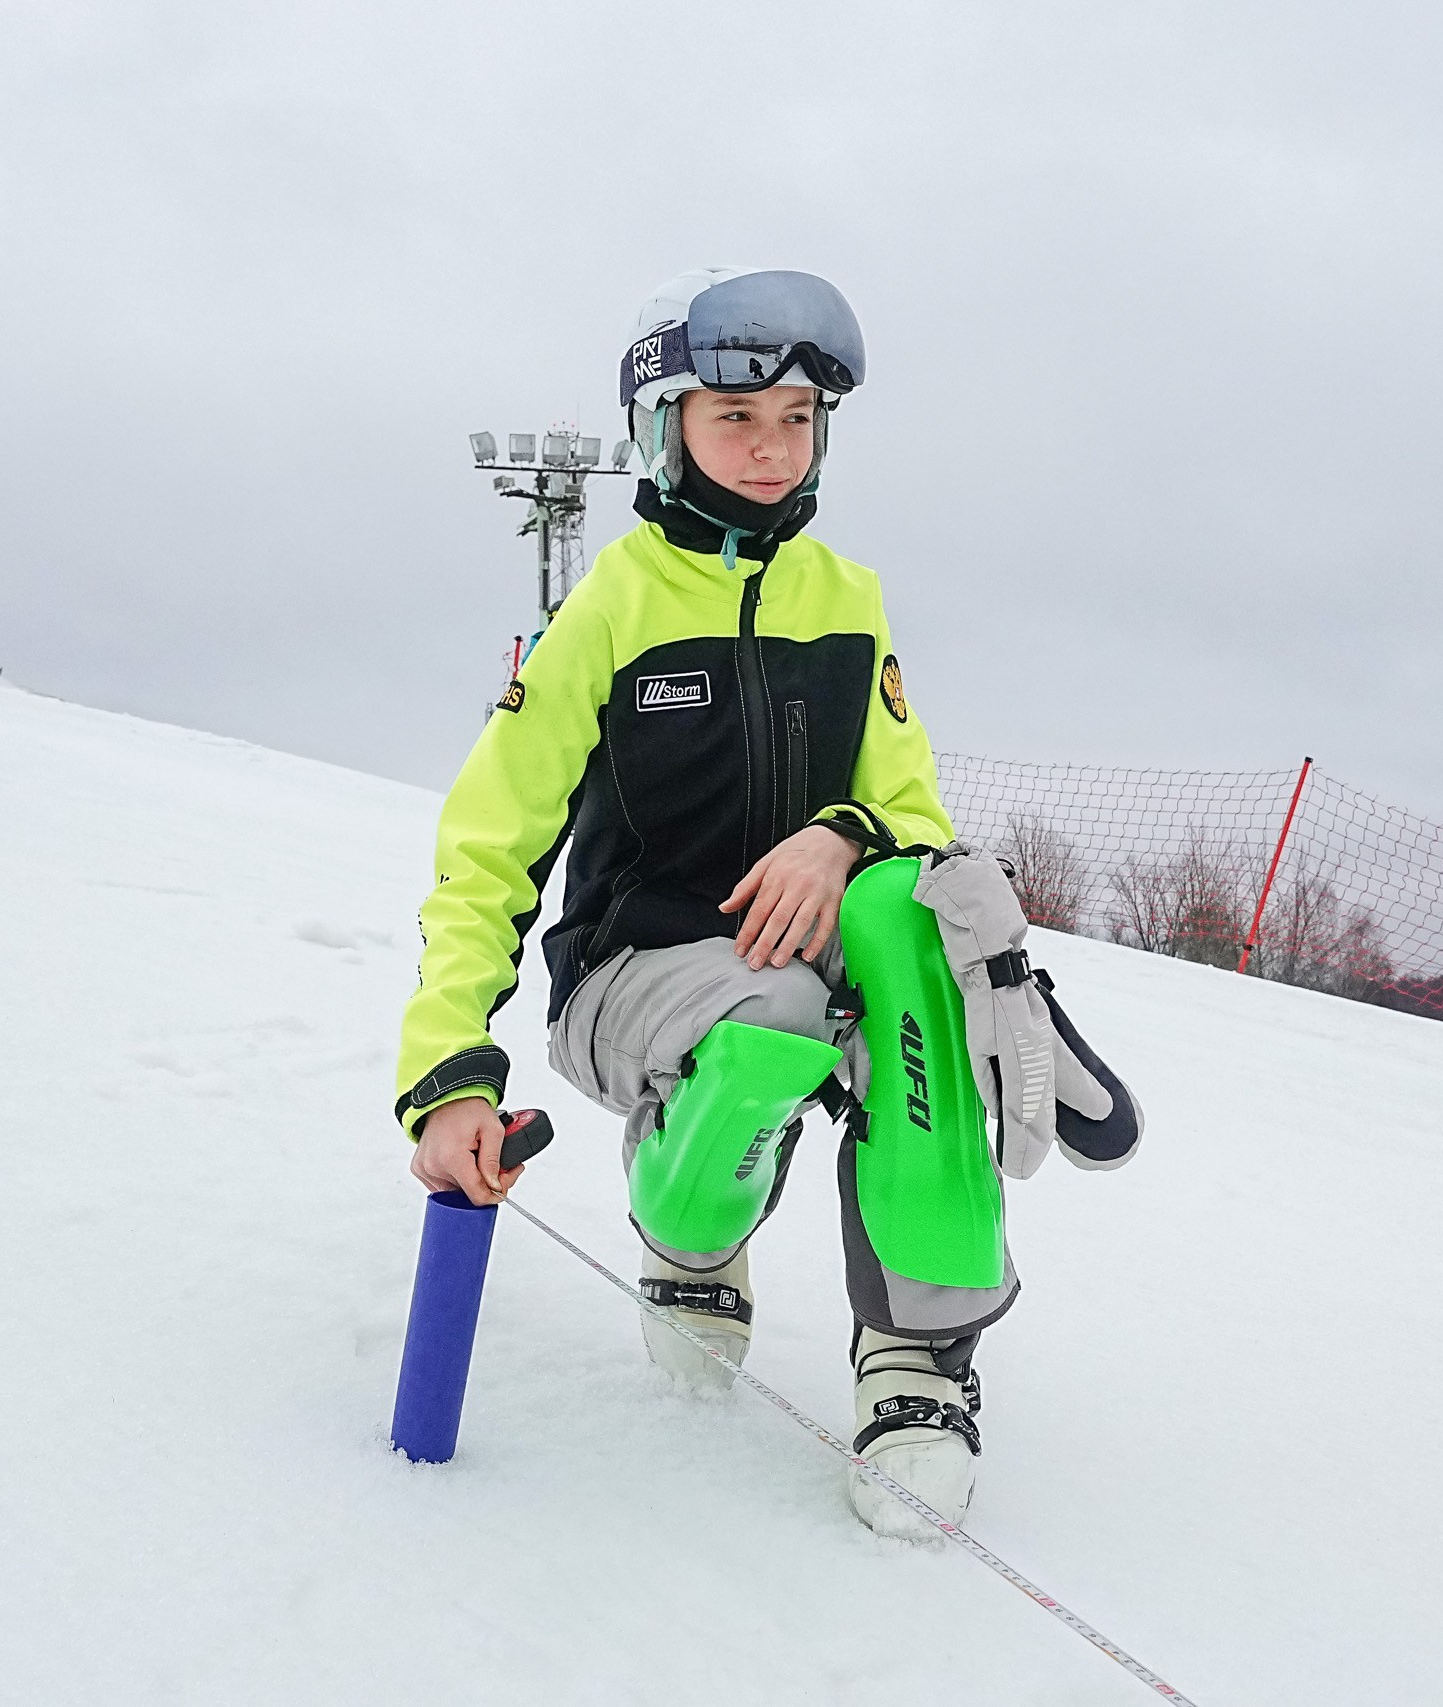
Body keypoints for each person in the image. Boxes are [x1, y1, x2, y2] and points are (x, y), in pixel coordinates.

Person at [392, 268, 1140, 1536]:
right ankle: (692, 1236)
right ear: (665, 424)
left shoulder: (847, 601)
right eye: (736, 418)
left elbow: (912, 813)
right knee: (781, 1006)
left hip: (814, 954)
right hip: (634, 976)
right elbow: (486, 849)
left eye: (796, 419)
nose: (770, 447)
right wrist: (450, 1071)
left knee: (915, 925)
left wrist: (839, 836)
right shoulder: (610, 609)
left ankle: (918, 1361)